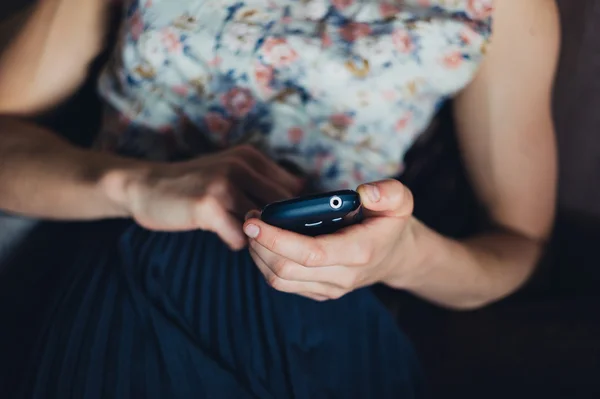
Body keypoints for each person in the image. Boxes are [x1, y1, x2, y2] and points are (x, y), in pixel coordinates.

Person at [0, 0, 559, 397]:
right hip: (123, 245)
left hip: (328, 302)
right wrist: (135, 184)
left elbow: (517, 245)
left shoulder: (507, 9)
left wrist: (407, 256)